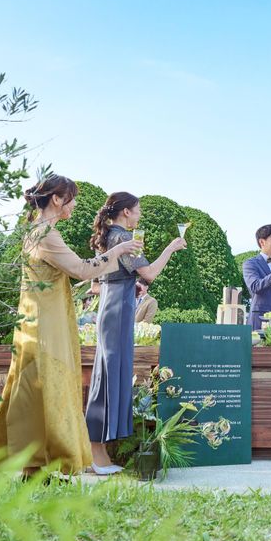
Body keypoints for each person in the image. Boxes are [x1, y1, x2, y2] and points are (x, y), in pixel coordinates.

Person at [0, 175, 142, 478]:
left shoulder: (36, 231)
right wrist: (117, 251)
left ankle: (33, 465)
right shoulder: (46, 234)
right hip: (46, 325)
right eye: (70, 199)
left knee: (32, 392)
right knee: (50, 389)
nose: (73, 206)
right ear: (57, 199)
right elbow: (80, 269)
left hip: (35, 320)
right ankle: (51, 460)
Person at [85, 192, 186, 473]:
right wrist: (171, 248)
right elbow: (150, 273)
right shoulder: (123, 238)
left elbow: (100, 282)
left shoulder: (109, 236)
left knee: (108, 375)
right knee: (109, 378)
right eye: (138, 210)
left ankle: (99, 453)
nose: (140, 215)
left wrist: (130, 283)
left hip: (112, 305)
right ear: (126, 212)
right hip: (118, 309)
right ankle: (96, 455)